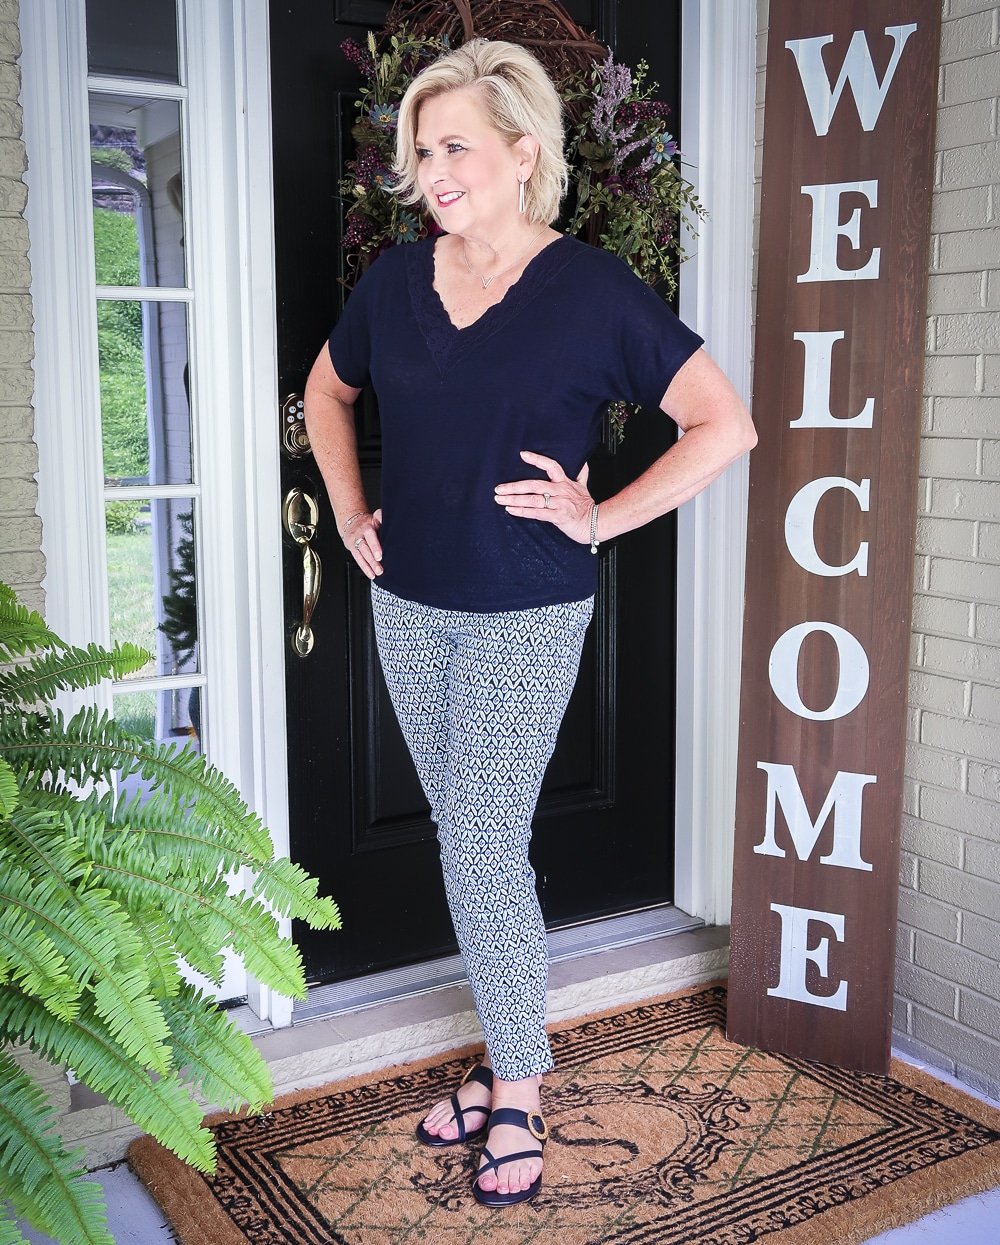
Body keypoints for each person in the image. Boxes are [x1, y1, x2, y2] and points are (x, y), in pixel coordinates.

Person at [303, 37, 757, 1209]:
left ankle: (518, 1089)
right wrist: (350, 512)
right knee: (469, 841)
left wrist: (600, 516)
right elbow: (325, 391)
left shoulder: (592, 291)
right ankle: (512, 1051)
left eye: (455, 145)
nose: (432, 169)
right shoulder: (396, 283)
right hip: (408, 605)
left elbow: (722, 426)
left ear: (522, 153)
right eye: (419, 149)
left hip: (523, 613)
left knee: (482, 848)